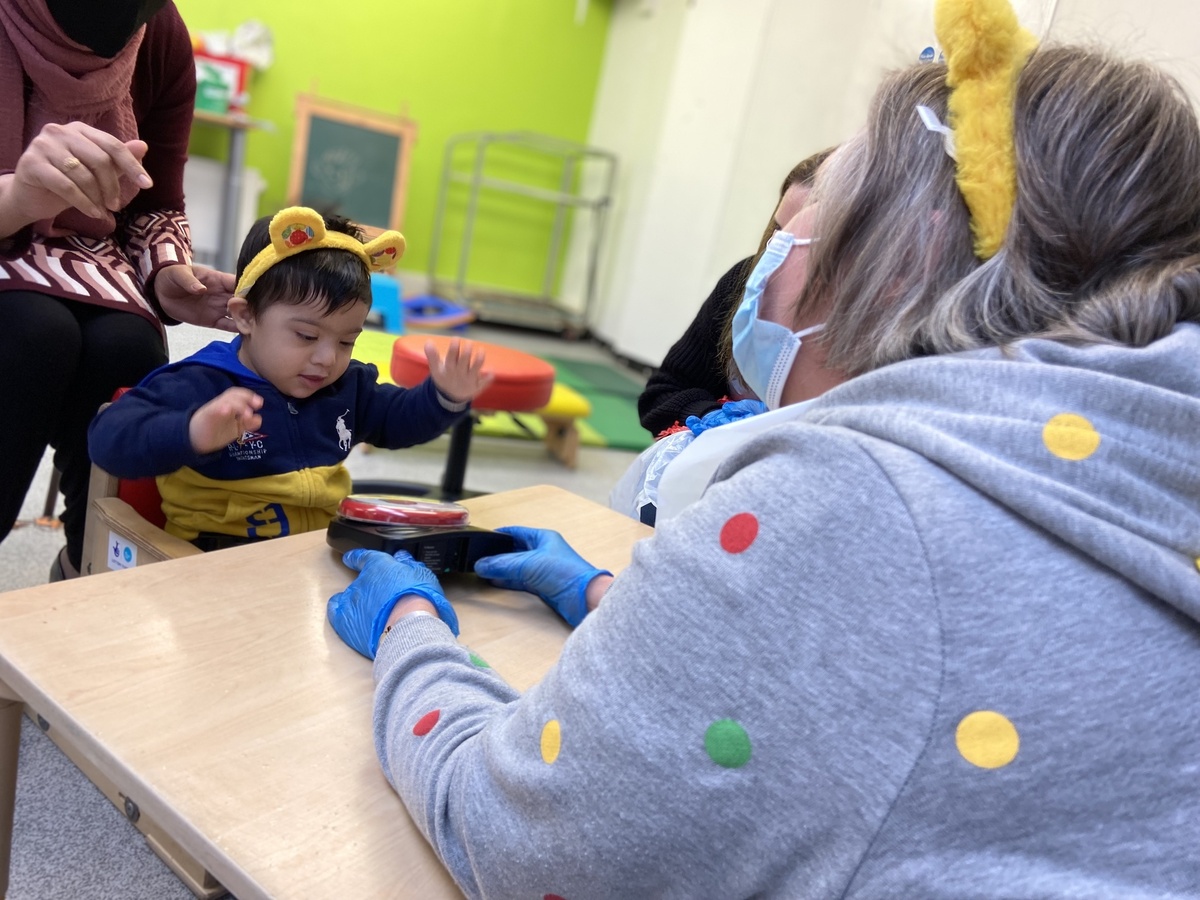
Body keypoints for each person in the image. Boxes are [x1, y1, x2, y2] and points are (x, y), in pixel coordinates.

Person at [326, 9, 1200, 897]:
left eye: (811, 221)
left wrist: (411, 629)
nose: (773, 255)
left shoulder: (853, 497)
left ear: (900, 264)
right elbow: (855, 690)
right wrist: (605, 595)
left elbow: (520, 841)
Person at [0, 0, 239, 580]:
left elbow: (156, 203)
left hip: (90, 256)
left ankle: (91, 565)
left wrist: (167, 274)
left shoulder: (159, 33)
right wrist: (19, 197)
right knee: (32, 332)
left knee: (128, 348)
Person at [88, 206, 491, 548]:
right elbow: (108, 438)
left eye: (347, 341)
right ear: (246, 316)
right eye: (306, 336)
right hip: (215, 559)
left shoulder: (346, 387)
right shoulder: (202, 382)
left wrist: (445, 397)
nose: (327, 359)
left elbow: (398, 420)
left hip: (319, 551)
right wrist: (192, 432)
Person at [636, 148, 833, 438]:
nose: (778, 251)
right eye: (778, 231)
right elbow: (663, 391)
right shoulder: (742, 282)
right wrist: (713, 418)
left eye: (796, 241)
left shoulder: (868, 329)